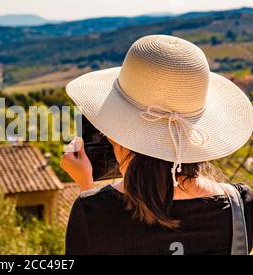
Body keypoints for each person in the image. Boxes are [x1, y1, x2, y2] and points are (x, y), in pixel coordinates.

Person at [60, 35, 253, 255]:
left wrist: (88, 190)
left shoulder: (92, 213)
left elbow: (111, 230)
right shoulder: (241, 208)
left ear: (115, 133)